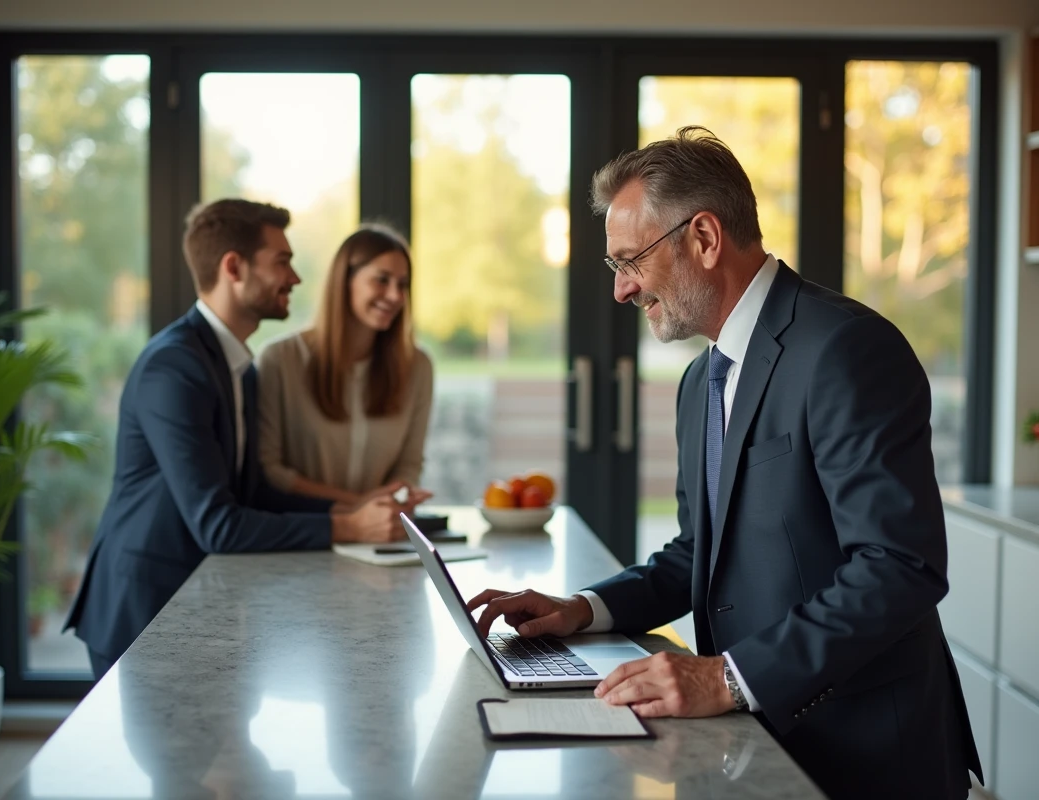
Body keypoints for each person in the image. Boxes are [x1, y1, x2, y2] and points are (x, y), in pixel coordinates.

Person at [466, 127, 982, 800]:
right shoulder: (698, 383)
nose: (622, 290)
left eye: (631, 261)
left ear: (704, 239)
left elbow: (899, 569)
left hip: (865, 755)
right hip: (752, 745)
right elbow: (697, 556)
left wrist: (728, 676)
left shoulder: (847, 350)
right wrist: (584, 610)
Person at [64, 199, 402, 681]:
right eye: (282, 261)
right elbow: (219, 525)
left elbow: (252, 495)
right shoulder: (174, 367)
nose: (296, 278)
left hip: (199, 603)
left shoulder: (237, 366)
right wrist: (351, 529)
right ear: (233, 267)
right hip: (143, 612)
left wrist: (351, 511)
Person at [255, 223, 433, 507]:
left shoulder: (418, 367)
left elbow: (409, 464)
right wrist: (358, 505)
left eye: (403, 284)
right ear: (344, 280)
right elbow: (270, 470)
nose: (395, 296)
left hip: (381, 538)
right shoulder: (280, 360)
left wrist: (390, 501)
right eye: (382, 280)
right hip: (304, 531)